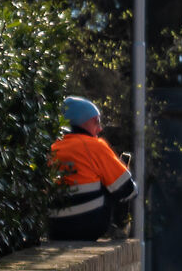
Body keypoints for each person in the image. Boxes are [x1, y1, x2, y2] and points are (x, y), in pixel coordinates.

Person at [48, 97, 137, 242]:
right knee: (115, 184)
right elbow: (128, 190)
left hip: (56, 228)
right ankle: (118, 229)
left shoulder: (53, 147)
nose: (100, 128)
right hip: (89, 226)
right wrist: (120, 169)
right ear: (82, 122)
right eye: (96, 121)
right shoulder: (95, 146)